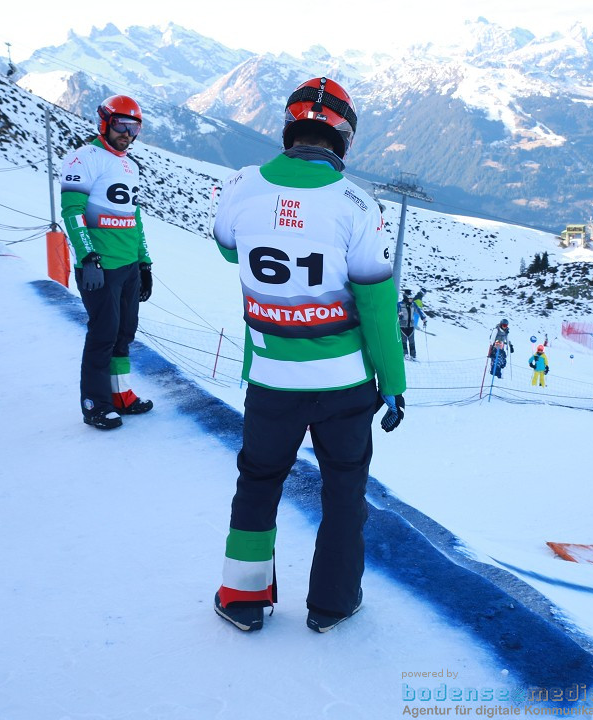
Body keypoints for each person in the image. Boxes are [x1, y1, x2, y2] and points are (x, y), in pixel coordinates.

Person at [211, 76, 405, 634]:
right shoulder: (358, 205)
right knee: (344, 491)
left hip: (272, 377)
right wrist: (392, 382)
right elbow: (376, 305)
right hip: (344, 384)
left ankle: (242, 597)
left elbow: (229, 248)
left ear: (289, 128)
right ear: (344, 138)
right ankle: (333, 603)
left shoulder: (243, 186)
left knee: (258, 481)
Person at [59, 94, 154, 431]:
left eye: (134, 128)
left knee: (124, 333)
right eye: (121, 125)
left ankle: (121, 395)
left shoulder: (130, 165)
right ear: (104, 122)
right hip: (99, 265)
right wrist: (88, 257)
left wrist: (144, 263)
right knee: (103, 334)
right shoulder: (84, 158)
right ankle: (95, 404)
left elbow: (134, 216)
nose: (127, 134)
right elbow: (72, 212)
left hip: (127, 264)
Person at [398, 288, 427, 360]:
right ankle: (405, 354)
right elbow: (395, 313)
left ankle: (413, 355)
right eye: (410, 298)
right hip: (402, 325)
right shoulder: (399, 304)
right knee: (404, 340)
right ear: (406, 297)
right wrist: (398, 314)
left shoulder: (413, 304)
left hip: (411, 325)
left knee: (412, 341)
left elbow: (419, 310)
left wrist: (423, 318)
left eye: (412, 298)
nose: (412, 299)